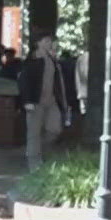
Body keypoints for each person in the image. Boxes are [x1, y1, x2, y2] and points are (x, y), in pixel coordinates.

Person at [18, 35, 70, 170]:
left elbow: (59, 82)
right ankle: (34, 164)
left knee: (55, 129)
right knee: (33, 133)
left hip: (51, 101)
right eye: (46, 41)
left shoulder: (52, 60)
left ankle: (39, 149)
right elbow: (24, 81)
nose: (50, 44)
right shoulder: (33, 60)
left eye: (50, 41)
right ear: (38, 43)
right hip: (35, 101)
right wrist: (27, 100)